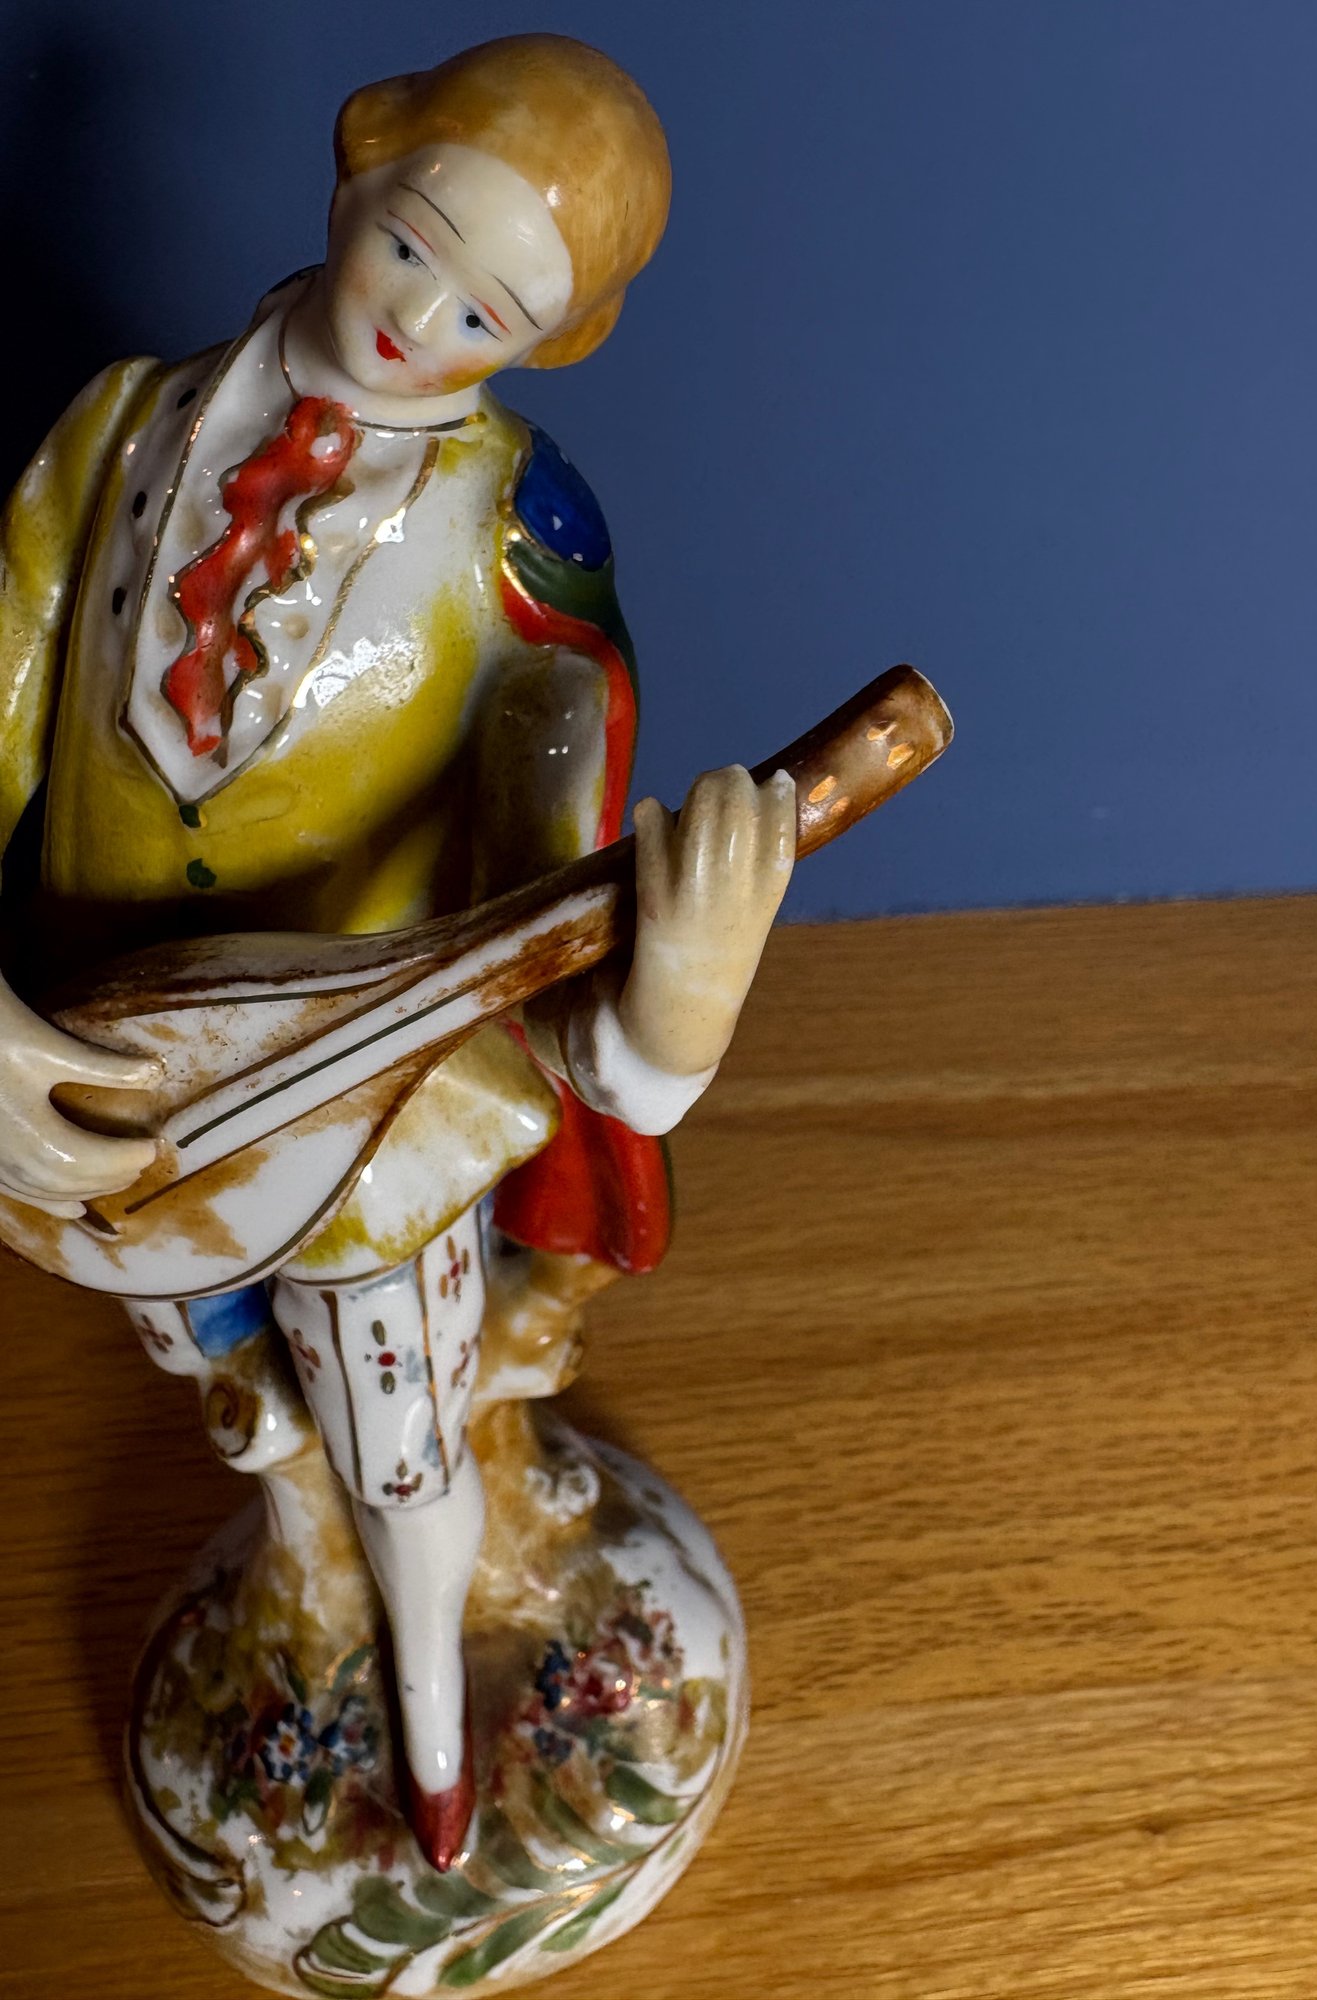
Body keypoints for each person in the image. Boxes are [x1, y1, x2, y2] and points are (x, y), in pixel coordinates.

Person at [0, 34, 794, 1870]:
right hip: (103, 1072)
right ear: (362, 157)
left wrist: (662, 1025)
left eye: (488, 312)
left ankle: (433, 1709)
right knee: (219, 1374)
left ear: (553, 343)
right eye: (418, 241)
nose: (418, 320)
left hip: (374, 1119)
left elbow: (545, 899)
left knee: (394, 1423)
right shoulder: (119, 429)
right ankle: (306, 1596)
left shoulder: (514, 537)